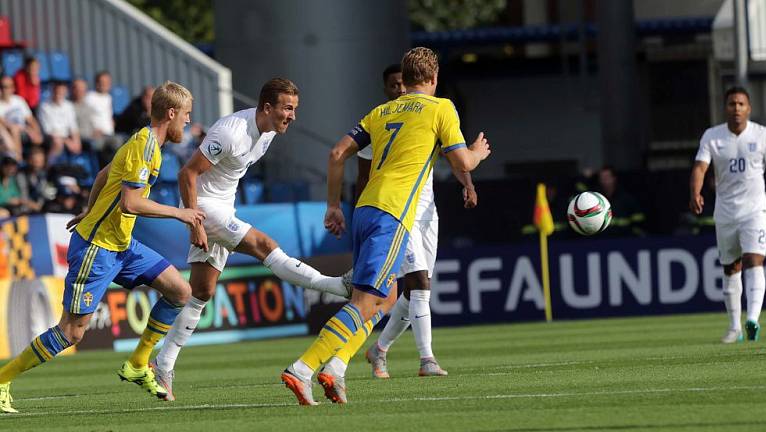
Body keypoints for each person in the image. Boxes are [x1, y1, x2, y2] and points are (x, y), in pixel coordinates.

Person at [281, 47, 490, 405]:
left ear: (403, 81)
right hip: (393, 213)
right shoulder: (441, 107)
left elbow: (336, 154)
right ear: (434, 79)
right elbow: (461, 160)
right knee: (366, 302)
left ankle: (336, 366)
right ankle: (303, 369)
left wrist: (333, 205)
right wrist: (478, 152)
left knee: (381, 299)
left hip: (364, 207)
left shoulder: (381, 111)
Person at [0, 81, 206, 413]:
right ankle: (1, 380)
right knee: (71, 332)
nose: (187, 121)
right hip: (97, 248)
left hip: (122, 244)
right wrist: (180, 213)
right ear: (171, 113)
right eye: (186, 115)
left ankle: (138, 364)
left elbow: (102, 174)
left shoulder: (142, 141)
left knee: (180, 291)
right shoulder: (145, 148)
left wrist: (88, 209)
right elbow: (130, 203)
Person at [151, 78, 352, 401]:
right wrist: (193, 222)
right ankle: (338, 286)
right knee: (265, 246)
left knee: (202, 292)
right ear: (267, 107)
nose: (292, 116)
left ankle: (163, 364)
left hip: (221, 207)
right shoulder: (231, 132)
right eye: (288, 108)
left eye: (295, 109)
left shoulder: (269, 132)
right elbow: (186, 174)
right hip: (202, 208)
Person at [360, 64, 478, 378]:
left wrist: (467, 184)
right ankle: (427, 360)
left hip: (427, 211)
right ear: (387, 88)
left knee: (414, 292)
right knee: (420, 284)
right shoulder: (381, 120)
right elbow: (362, 174)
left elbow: (452, 153)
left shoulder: (429, 114)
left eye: (403, 83)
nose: (400, 89)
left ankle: (379, 350)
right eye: (394, 85)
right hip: (398, 210)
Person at [690, 86, 766, 344]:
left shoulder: (762, 135)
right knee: (731, 267)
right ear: (725, 108)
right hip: (726, 212)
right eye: (731, 104)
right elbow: (699, 167)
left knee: (754, 259)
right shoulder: (712, 137)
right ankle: (733, 327)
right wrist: (695, 192)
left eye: (741, 104)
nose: (736, 108)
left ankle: (752, 319)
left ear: (748, 108)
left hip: (755, 210)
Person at [37, 81, 82, 160]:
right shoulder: (44, 106)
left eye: (62, 92)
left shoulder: (69, 106)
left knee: (78, 144)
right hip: (51, 138)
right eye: (57, 91)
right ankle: (49, 167)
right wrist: (66, 141)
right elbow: (48, 131)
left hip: (66, 137)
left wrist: (76, 141)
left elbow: (73, 126)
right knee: (57, 142)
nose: (59, 94)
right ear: (53, 91)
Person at [0, 75, 43, 157]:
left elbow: (30, 119)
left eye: (7, 87)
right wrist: (27, 129)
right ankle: (18, 159)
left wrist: (37, 131)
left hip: (24, 131)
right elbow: (4, 123)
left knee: (39, 138)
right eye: (2, 86)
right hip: (9, 132)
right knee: (14, 130)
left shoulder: (19, 100)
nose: (4, 90)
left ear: (13, 88)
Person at [596, 165, 645, 237]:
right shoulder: (595, 200)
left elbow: (638, 221)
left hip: (625, 241)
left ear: (614, 178)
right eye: (602, 178)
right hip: (601, 242)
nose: (604, 181)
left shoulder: (626, 199)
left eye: (607, 177)